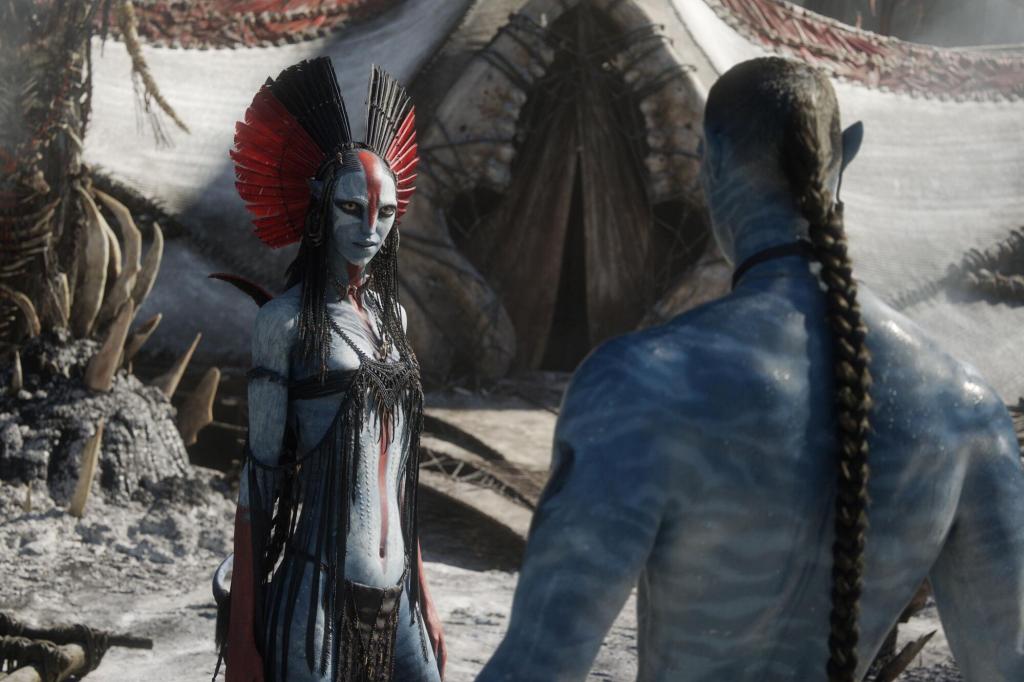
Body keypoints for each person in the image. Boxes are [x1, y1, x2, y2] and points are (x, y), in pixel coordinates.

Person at [477, 57, 1024, 682]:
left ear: (707, 162)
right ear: (844, 158)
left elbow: (538, 666)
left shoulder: (643, 384)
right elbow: (1005, 666)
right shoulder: (967, 410)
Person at [221, 57, 445, 682]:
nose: (371, 229)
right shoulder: (285, 323)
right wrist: (242, 634)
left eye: (386, 212)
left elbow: (401, 477)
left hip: (400, 596)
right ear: (320, 210)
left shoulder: (394, 318)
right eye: (352, 207)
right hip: (314, 593)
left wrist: (425, 597)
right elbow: (257, 486)